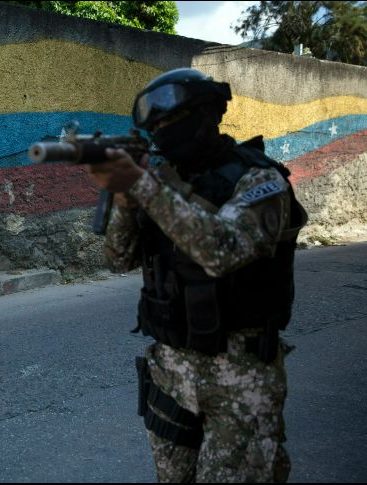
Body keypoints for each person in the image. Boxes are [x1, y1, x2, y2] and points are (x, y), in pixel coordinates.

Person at [86, 68, 307, 482]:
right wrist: (126, 199)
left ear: (208, 114)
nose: (164, 133)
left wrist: (144, 186)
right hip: (172, 374)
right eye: (157, 127)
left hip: (240, 378)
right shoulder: (162, 180)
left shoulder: (260, 179)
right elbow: (118, 259)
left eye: (172, 121)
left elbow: (219, 252)